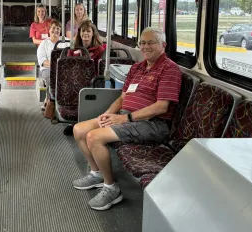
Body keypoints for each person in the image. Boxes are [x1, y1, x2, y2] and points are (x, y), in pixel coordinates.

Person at [72, 27, 181, 211]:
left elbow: (161, 107)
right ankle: (96, 173)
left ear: (163, 45)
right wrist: (107, 114)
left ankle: (111, 188)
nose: (145, 47)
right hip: (126, 115)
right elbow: (123, 98)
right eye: (143, 43)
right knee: (79, 130)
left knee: (94, 137)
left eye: (151, 42)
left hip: (153, 124)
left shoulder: (169, 69)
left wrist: (125, 118)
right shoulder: (137, 67)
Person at [36, 19, 65, 122]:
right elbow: (43, 61)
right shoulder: (44, 43)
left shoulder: (66, 42)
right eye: (53, 28)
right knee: (51, 78)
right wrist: (56, 64)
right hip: (48, 69)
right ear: (49, 30)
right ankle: (50, 102)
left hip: (64, 69)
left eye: (58, 28)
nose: (55, 30)